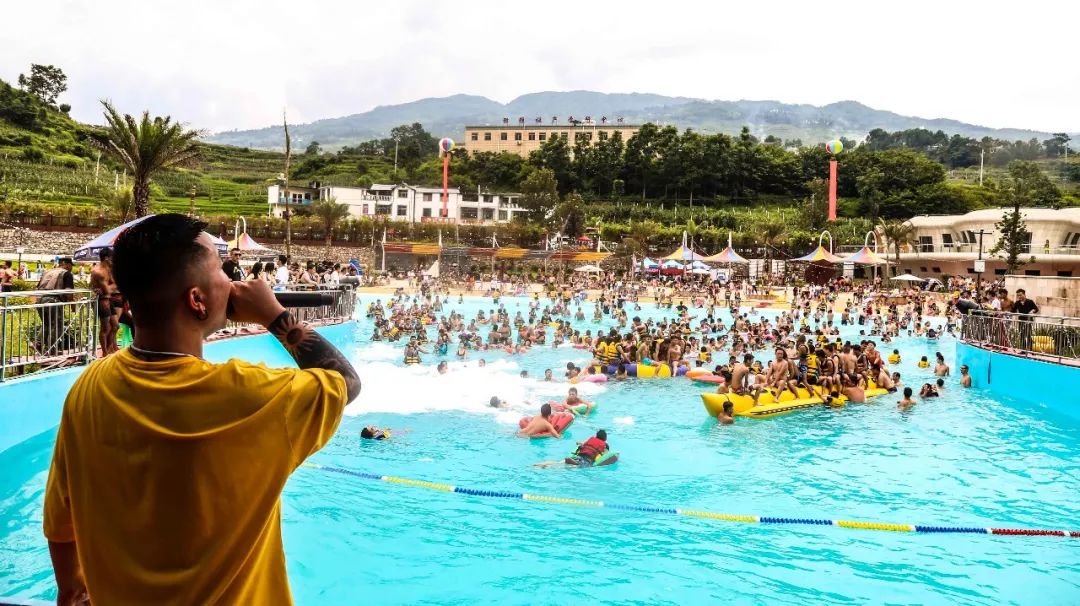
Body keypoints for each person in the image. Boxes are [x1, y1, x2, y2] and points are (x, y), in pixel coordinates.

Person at [42, 214, 361, 605]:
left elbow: (61, 520)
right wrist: (275, 317)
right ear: (197, 300)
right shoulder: (250, 397)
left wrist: (73, 592)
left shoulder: (89, 387)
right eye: (221, 271)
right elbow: (344, 382)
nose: (232, 281)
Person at [35, 257, 75, 355]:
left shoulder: (47, 272)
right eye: (71, 266)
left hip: (40, 300)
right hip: (53, 301)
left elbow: (38, 286)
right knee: (57, 326)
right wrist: (73, 306)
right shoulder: (66, 273)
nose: (71, 268)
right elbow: (69, 292)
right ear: (66, 264)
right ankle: (51, 349)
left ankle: (38, 344)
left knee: (47, 324)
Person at [90, 248, 120, 355]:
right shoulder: (98, 272)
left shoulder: (108, 269)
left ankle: (110, 347)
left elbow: (115, 285)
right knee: (105, 328)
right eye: (112, 258)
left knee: (116, 325)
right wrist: (108, 288)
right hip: (102, 301)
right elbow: (108, 289)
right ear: (106, 258)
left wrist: (109, 288)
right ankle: (104, 353)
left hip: (108, 299)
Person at [535, 430, 609, 468]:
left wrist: (578, 443)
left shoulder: (591, 439)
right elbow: (605, 455)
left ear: (596, 435)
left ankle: (542, 464)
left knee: (559, 463)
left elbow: (581, 444)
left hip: (579, 455)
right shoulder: (604, 444)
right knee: (572, 466)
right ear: (605, 438)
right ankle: (573, 463)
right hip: (587, 460)